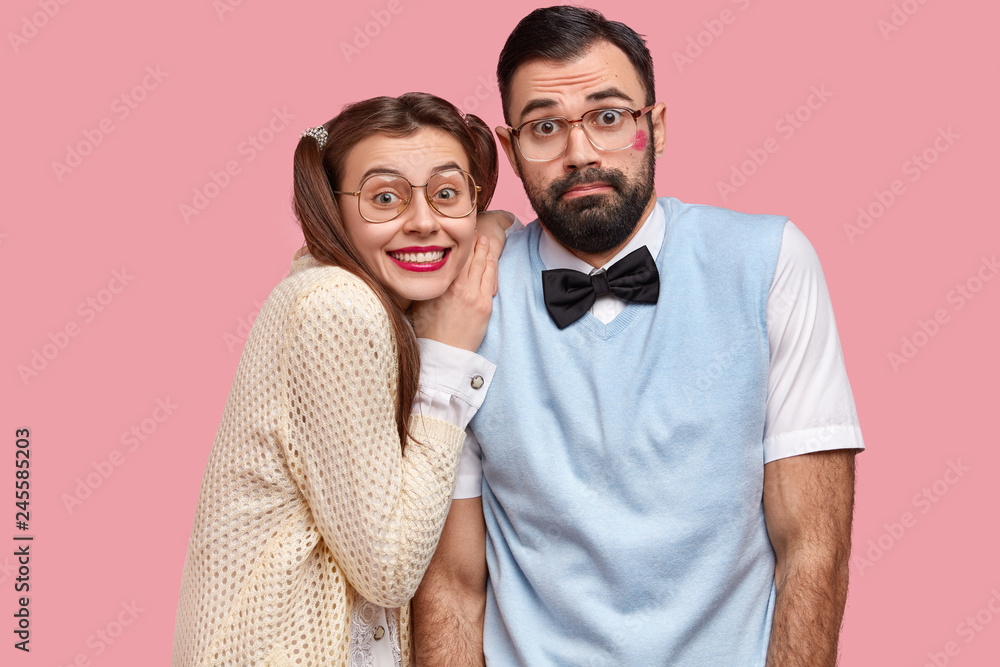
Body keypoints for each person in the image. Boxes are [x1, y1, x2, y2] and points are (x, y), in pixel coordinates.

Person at [413, 7, 865, 667]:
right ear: (510, 152)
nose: (581, 153)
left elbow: (813, 550)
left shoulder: (769, 262)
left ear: (654, 125)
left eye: (608, 116)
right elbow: (451, 587)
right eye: (545, 127)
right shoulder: (467, 298)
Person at [172, 92, 507, 667]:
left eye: (448, 194)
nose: (424, 221)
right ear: (333, 209)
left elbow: (494, 219)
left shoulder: (350, 292)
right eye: (384, 198)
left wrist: (493, 231)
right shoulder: (336, 307)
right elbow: (389, 569)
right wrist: (448, 357)